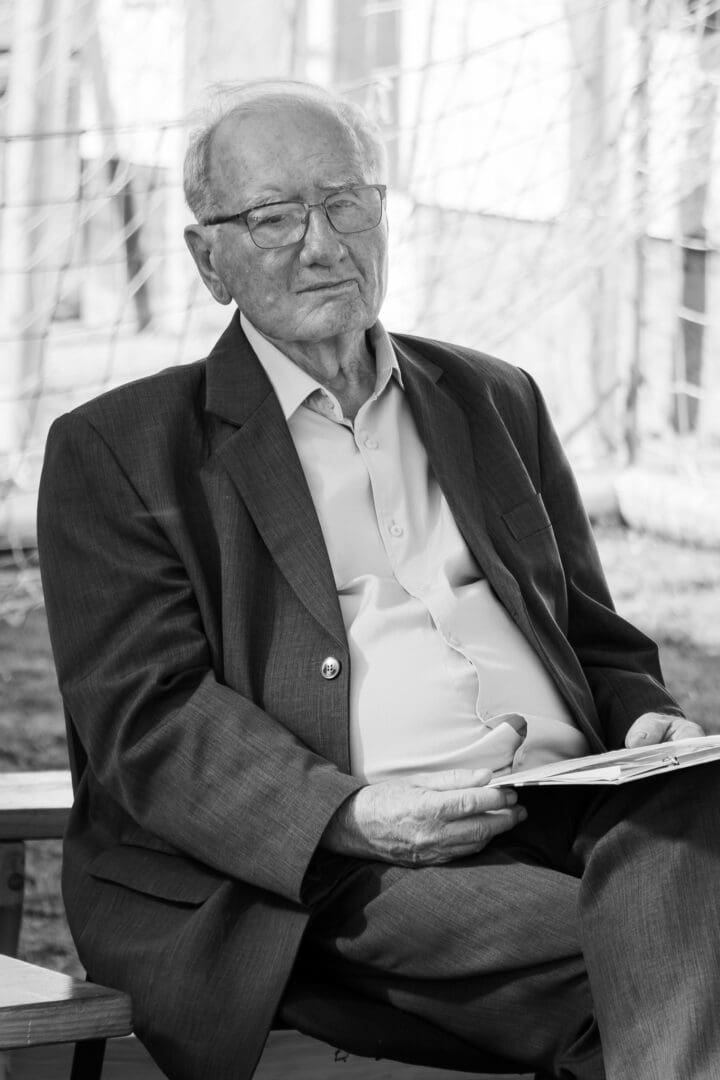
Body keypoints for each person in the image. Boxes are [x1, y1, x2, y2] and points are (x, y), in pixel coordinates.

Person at [37, 79, 719, 1080]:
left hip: (583, 815)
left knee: (691, 831)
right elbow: (151, 719)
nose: (322, 244)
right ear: (208, 260)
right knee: (678, 951)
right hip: (338, 868)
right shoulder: (123, 449)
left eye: (344, 202)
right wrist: (352, 817)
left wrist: (646, 719)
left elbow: (592, 639)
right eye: (274, 217)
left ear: (383, 213)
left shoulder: (494, 397)